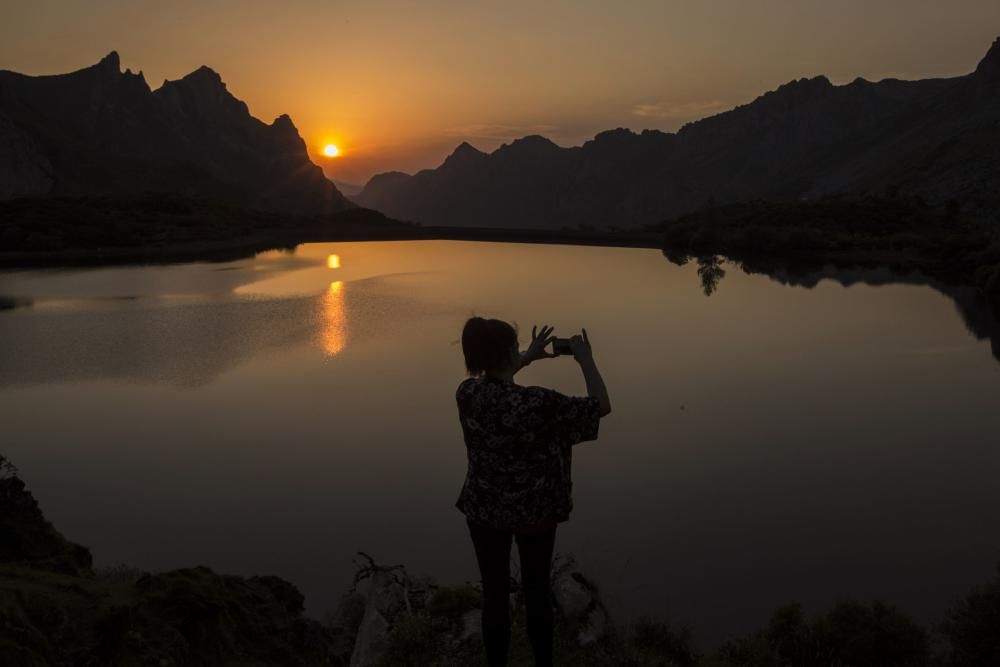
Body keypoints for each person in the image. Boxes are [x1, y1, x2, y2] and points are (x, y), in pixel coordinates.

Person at [455, 317, 611, 667]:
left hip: (484, 509)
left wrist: (526, 357)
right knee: (537, 591)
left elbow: (497, 383)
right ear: (508, 353)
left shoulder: (467, 393)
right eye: (516, 348)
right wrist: (585, 359)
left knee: (494, 595)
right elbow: (600, 406)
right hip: (534, 511)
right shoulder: (539, 404)